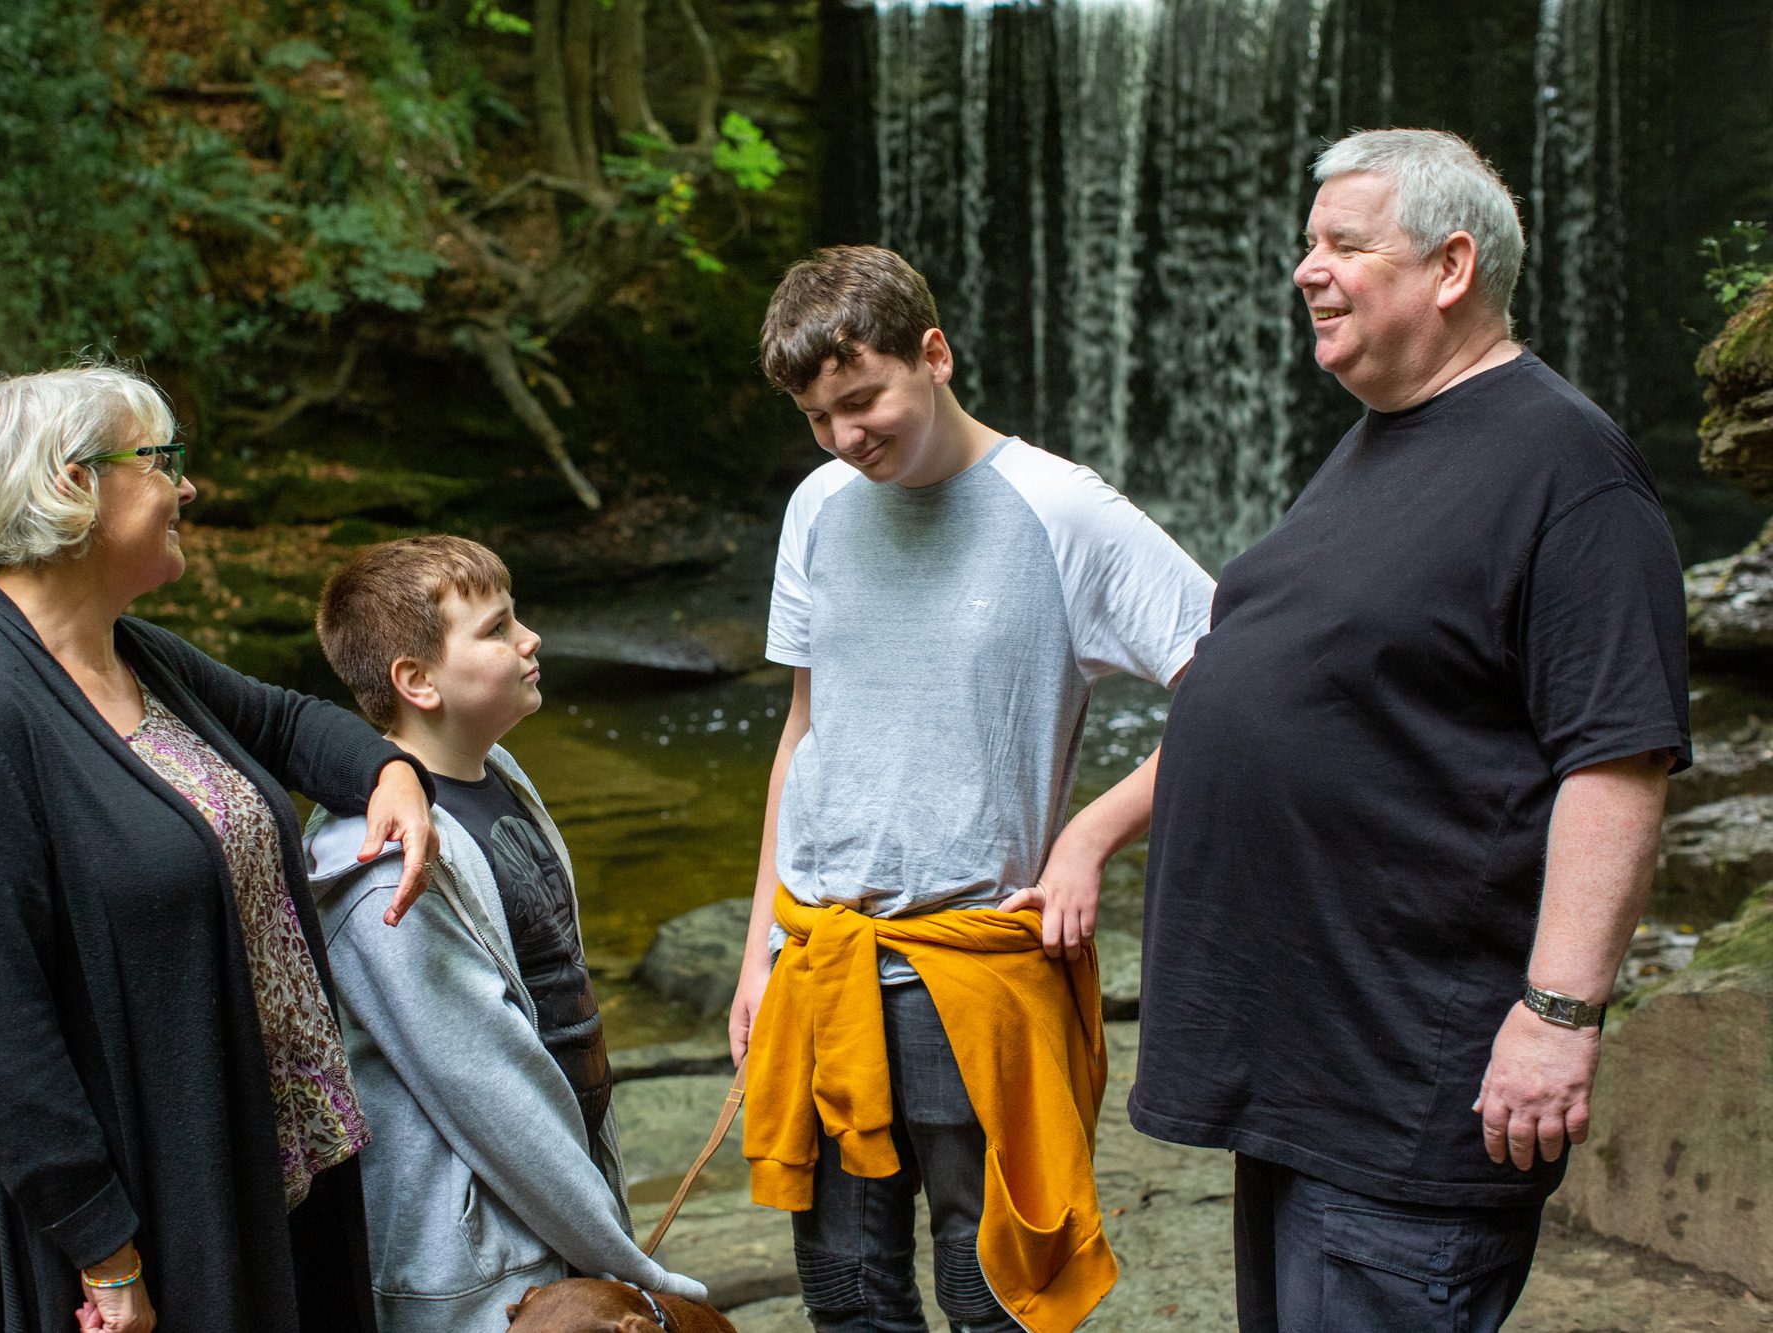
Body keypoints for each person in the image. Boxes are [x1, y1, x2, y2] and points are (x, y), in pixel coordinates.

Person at [1131, 129, 1691, 1332]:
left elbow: (1617, 762)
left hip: (1405, 1092)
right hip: (1305, 1078)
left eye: (1342, 243)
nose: (1304, 268)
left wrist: (1555, 1017)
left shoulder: (1567, 469)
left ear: (1448, 267)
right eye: (1305, 242)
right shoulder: (1377, 441)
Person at [0, 364, 438, 1333]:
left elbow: (290, 723)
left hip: (245, 1168)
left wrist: (390, 775)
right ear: (70, 484)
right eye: (162, 459)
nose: (188, 487)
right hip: (112, 1232)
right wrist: (106, 1256)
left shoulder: (132, 652)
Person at [730, 245, 1216, 1333]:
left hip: (973, 966)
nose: (846, 437)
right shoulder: (816, 507)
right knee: (847, 1291)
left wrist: (1090, 834)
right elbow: (806, 726)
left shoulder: (1062, 511)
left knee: (990, 1291)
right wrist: (759, 946)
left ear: (934, 354)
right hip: (821, 962)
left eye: (862, 400)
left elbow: (1236, 686)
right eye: (818, 417)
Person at [304, 534, 709, 1331]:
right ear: (418, 681)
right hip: (477, 1267)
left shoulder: (499, 775)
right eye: (495, 630)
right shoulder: (389, 866)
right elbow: (486, 1089)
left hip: (559, 1214)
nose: (529, 640)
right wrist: (634, 1271)